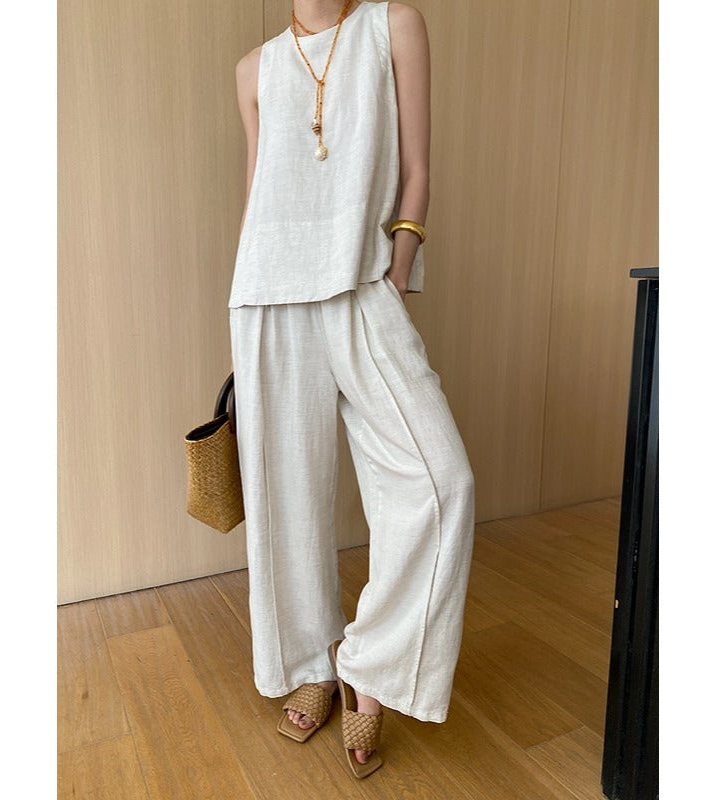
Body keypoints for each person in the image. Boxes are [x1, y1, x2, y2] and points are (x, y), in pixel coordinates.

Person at [227, 0, 475, 778]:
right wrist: (244, 307)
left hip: (364, 285)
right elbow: (259, 194)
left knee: (440, 481)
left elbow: (417, 168)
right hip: (269, 296)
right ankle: (311, 659)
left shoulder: (392, 24)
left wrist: (396, 275)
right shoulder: (254, 69)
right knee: (285, 494)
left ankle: (367, 661)